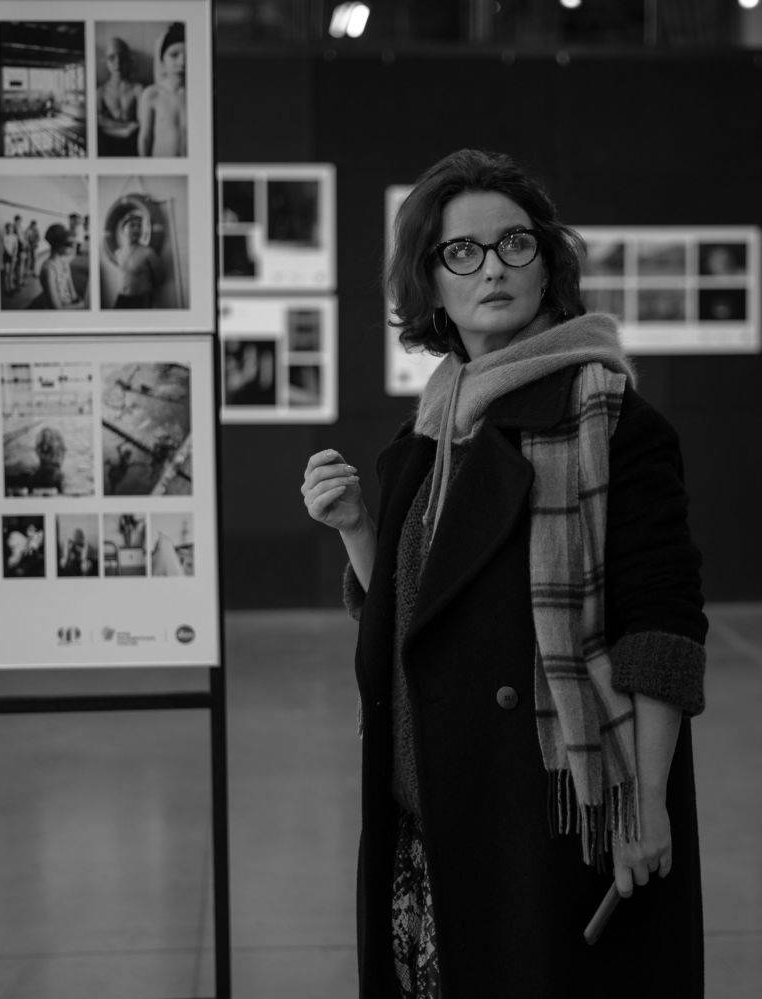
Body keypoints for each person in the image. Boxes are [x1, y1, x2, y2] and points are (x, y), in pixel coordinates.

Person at [300, 149, 706, 997]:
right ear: (430, 283)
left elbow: (661, 630)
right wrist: (358, 527)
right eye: (463, 251)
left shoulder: (611, 420)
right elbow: (416, 616)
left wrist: (647, 803)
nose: (493, 268)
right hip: (427, 815)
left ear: (547, 263)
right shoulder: (433, 428)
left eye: (514, 243)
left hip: (551, 817)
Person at [138, 24, 186, 157]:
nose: (182, 62)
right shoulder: (152, 95)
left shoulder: (198, 96)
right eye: (174, 55)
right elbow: (145, 138)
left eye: (188, 56)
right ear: (162, 60)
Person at [98, 37, 142, 156]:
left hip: (132, 146)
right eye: (112, 57)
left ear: (128, 60)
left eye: (122, 57)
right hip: (109, 146)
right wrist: (126, 127)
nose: (117, 63)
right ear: (105, 61)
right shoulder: (101, 92)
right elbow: (98, 120)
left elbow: (142, 123)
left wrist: (110, 125)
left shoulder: (137, 89)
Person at [111, 212, 162, 308]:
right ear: (123, 229)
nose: (137, 229)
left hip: (141, 300)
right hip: (122, 298)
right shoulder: (118, 253)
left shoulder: (148, 252)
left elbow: (159, 278)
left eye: (139, 226)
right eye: (132, 225)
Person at [31, 223, 84, 309]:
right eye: (69, 244)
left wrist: (77, 301)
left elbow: (72, 292)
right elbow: (56, 308)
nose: (73, 247)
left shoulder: (64, 263)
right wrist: (80, 306)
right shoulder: (49, 269)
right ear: (58, 244)